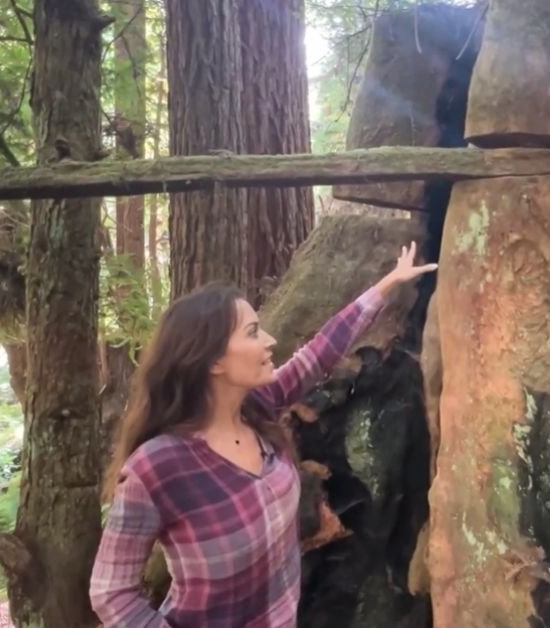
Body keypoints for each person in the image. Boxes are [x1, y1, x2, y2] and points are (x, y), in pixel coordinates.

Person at [90, 242, 437, 627]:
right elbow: (111, 593)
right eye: (253, 332)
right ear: (212, 360)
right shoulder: (157, 467)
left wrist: (387, 285)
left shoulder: (258, 409)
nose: (270, 340)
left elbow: (320, 351)